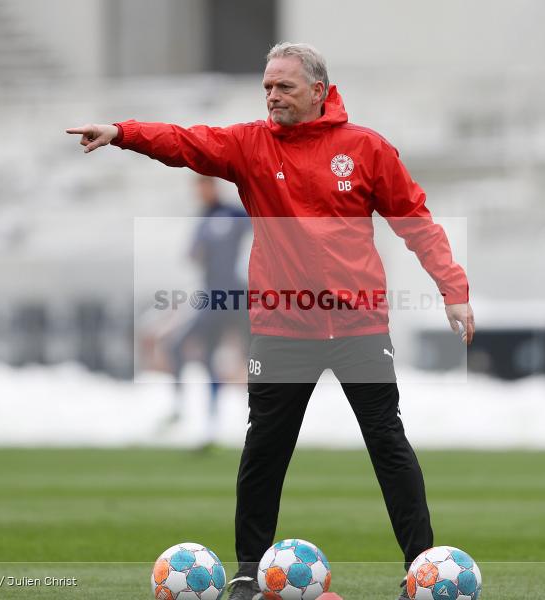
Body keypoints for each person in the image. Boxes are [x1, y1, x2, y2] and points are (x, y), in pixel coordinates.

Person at [67, 42, 474, 600]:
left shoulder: (366, 149)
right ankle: (246, 574)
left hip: (358, 325)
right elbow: (186, 143)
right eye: (267, 87)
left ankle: (422, 571)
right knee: (265, 451)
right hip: (283, 328)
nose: (272, 96)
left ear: (318, 90)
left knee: (387, 443)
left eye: (283, 86)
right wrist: (122, 132)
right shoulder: (250, 145)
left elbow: (416, 222)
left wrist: (453, 289)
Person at [164, 176, 250, 448]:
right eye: (198, 188)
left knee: (253, 356)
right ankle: (204, 419)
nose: (202, 192)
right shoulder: (203, 219)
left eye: (205, 187)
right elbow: (192, 255)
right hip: (213, 298)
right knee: (191, 350)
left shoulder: (233, 213)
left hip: (235, 296)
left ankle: (266, 414)